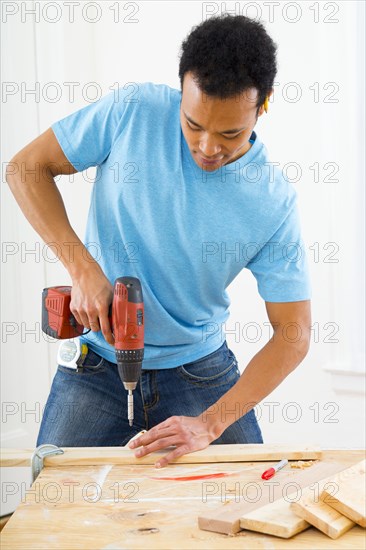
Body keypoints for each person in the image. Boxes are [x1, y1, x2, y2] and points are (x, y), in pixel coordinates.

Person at [6, 14, 311, 468]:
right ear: (181, 90)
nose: (208, 147)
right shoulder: (133, 111)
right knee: (47, 512)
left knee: (249, 506)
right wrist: (83, 268)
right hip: (94, 368)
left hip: (200, 373)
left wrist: (210, 422)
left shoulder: (272, 201)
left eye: (229, 133)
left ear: (262, 106)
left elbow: (295, 333)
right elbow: (26, 168)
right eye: (193, 124)